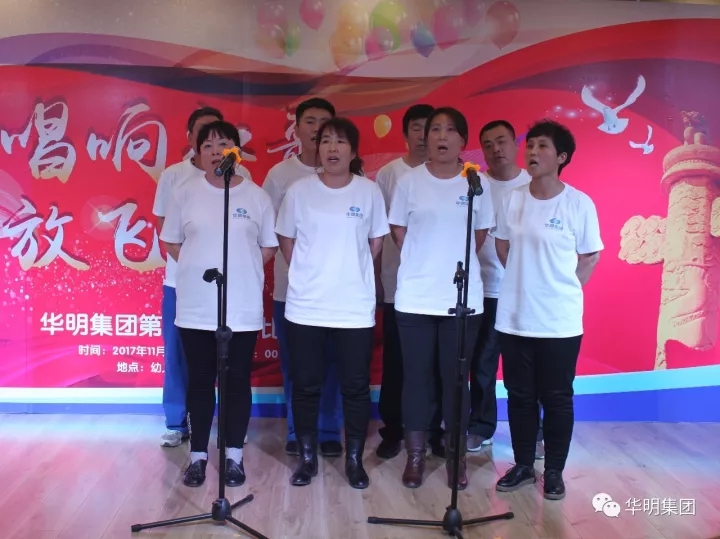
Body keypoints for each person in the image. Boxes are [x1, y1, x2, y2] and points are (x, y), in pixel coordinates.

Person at [160, 120, 278, 487]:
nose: (215, 152)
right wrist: (195, 268)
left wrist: (243, 270)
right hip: (196, 306)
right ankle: (197, 456)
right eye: (207, 146)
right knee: (200, 379)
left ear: (236, 151)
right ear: (197, 153)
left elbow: (268, 246)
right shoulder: (184, 192)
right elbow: (172, 240)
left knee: (237, 379)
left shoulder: (256, 196)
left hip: (240, 304)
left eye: (223, 144)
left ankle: (233, 457)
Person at [275, 117, 389, 489]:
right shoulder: (299, 191)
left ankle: (354, 460)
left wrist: (350, 271)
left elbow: (375, 242)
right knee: (306, 384)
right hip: (306, 305)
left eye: (340, 141)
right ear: (317, 147)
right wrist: (309, 271)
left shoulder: (368, 192)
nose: (332, 148)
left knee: (355, 386)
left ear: (353, 150)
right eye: (326, 141)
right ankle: (307, 459)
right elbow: (287, 240)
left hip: (353, 307)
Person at [494, 119, 602, 500]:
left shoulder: (578, 203)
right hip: (514, 317)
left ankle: (554, 470)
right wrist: (525, 282)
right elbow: (502, 246)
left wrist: (560, 289)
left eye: (542, 146)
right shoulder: (513, 200)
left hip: (559, 322)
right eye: (531, 145)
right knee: (519, 395)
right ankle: (524, 464)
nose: (533, 152)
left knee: (556, 397)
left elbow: (590, 256)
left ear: (561, 157)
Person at [388, 107, 494, 490]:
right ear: (425, 138)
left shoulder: (476, 183)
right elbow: (399, 231)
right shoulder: (408, 182)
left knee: (456, 379)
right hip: (416, 296)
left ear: (463, 140)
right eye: (435, 129)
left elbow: (478, 236)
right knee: (416, 379)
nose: (441, 136)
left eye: (450, 130)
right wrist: (426, 260)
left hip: (463, 299)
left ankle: (455, 456)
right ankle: (415, 456)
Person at [262, 98, 344, 458]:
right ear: (296, 129)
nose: (317, 129)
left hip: (337, 290)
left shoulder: (350, 176)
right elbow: (267, 230)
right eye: (310, 121)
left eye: (324, 122)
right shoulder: (281, 175)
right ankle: (298, 430)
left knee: (333, 364)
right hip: (292, 290)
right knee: (296, 365)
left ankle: (328, 430)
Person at [374, 104, 445, 461]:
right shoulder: (390, 174)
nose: (424, 135)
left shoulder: (454, 176)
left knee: (437, 366)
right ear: (405, 134)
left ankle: (435, 431)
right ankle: (393, 430)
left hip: (442, 289)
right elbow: (379, 229)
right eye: (417, 128)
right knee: (397, 363)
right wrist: (377, 280)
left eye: (430, 128)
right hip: (397, 283)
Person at [152, 106, 223, 448]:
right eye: (203, 133)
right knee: (178, 355)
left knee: (224, 356)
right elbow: (163, 228)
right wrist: (194, 265)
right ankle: (176, 422)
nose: (211, 142)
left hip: (224, 285)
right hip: (180, 282)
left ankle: (227, 423)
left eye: (218, 135)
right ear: (190, 137)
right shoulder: (173, 176)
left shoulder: (240, 176)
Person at [467, 120, 533, 452]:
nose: (496, 149)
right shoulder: (474, 184)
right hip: (484, 289)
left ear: (516, 144)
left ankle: (533, 432)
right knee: (482, 364)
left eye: (502, 141)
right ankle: (481, 426)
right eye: (488, 144)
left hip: (523, 290)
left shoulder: (533, 184)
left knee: (526, 366)